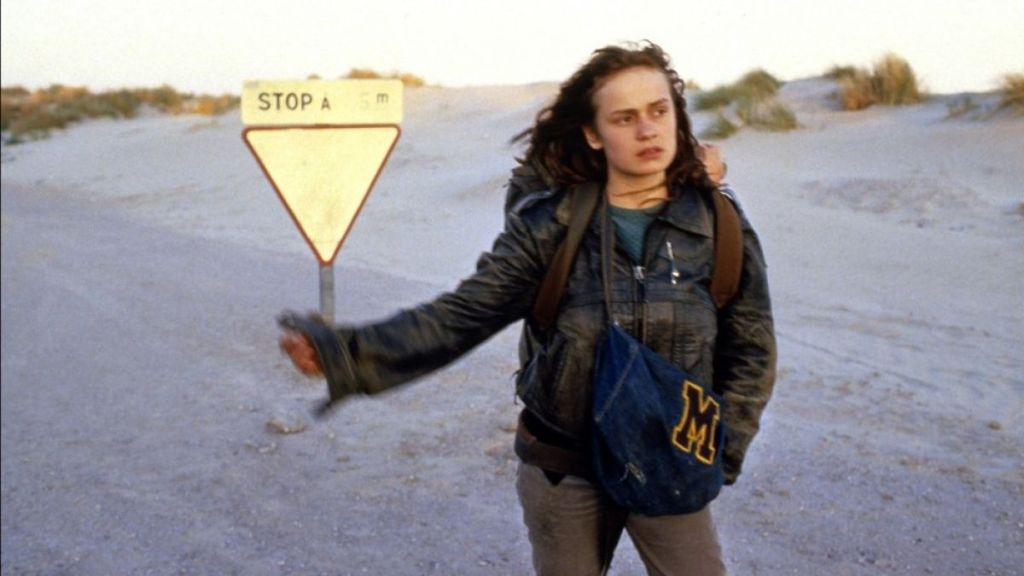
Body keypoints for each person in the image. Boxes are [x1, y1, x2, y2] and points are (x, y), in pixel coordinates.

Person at [280, 41, 776, 576]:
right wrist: (348, 353)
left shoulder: (717, 224)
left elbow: (752, 349)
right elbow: (463, 314)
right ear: (593, 133)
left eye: (659, 111)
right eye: (624, 118)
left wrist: (718, 452)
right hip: (564, 468)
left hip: (670, 462)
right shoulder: (552, 225)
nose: (647, 130)